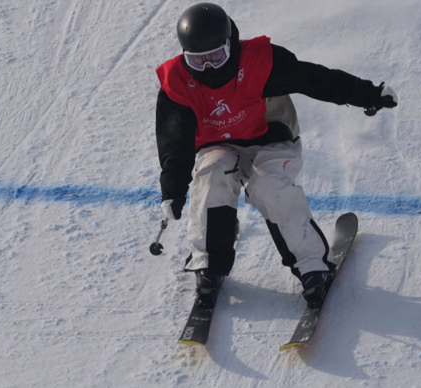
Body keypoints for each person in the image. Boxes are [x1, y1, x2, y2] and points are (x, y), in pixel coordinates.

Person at [155, 3, 397, 309]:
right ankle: (208, 264)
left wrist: (368, 94)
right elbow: (174, 141)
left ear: (229, 45)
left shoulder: (258, 62)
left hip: (271, 137)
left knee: (269, 185)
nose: (208, 68)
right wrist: (172, 190)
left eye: (216, 57)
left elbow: (315, 79)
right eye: (197, 60)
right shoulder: (178, 82)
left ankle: (312, 266)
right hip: (218, 145)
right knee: (210, 179)